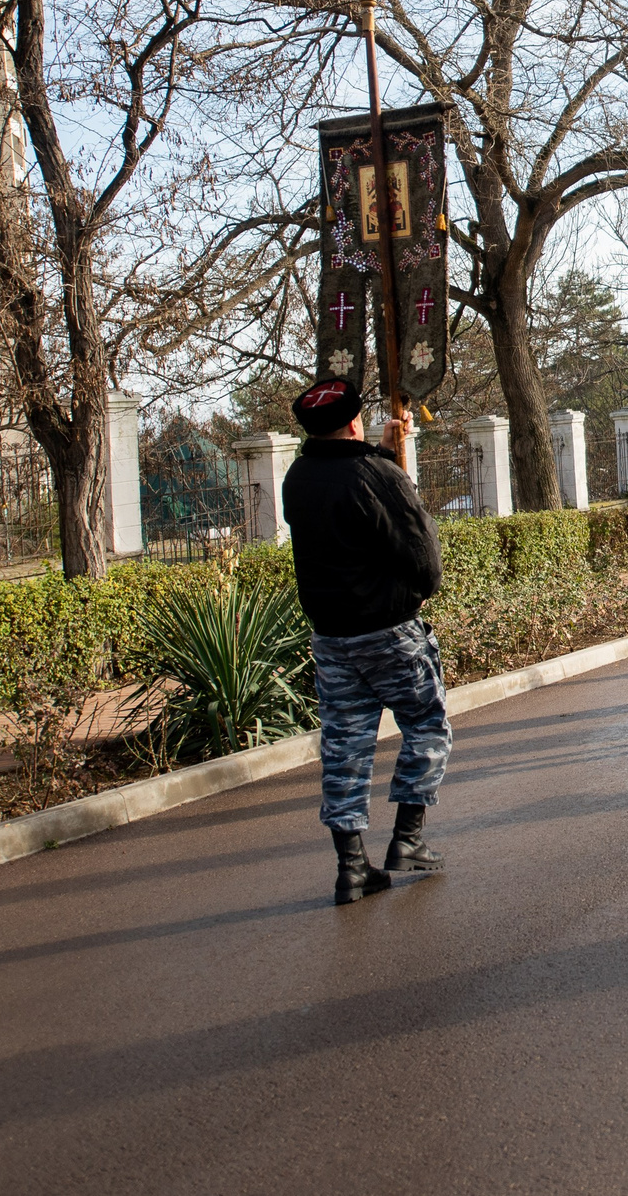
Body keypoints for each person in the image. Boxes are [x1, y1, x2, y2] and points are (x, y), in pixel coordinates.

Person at [284, 378, 448, 906]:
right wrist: (419, 593)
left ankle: (352, 868)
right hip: (392, 633)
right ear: (354, 420)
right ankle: (408, 839)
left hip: (332, 640)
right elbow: (425, 560)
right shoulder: (378, 476)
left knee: (345, 748)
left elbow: (345, 491)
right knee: (425, 726)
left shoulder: (297, 477)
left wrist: (380, 453)